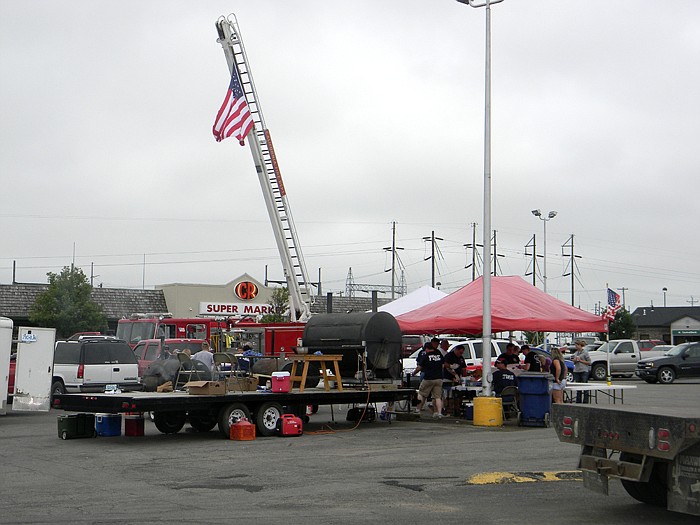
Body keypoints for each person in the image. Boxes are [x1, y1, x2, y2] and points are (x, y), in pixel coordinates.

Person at [412, 341, 446, 419]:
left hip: (428, 378)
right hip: (439, 378)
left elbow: (419, 367)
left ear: (427, 349)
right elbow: (443, 365)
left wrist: (414, 373)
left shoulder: (426, 356)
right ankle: (439, 413)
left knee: (421, 393)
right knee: (437, 397)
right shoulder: (439, 354)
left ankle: (418, 410)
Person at [571, 339, 592, 403]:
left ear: (580, 345)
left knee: (584, 386)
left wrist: (580, 360)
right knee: (578, 387)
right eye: (575, 345)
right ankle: (578, 400)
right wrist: (574, 360)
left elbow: (589, 362)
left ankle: (585, 401)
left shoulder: (585, 353)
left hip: (584, 370)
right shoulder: (575, 353)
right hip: (577, 370)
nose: (576, 346)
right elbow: (574, 362)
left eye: (577, 345)